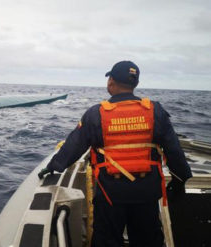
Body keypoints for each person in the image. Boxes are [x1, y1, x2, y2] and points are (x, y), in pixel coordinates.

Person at [43, 61, 192, 247]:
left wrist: (53, 166)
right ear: (135, 83)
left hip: (110, 192)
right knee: (148, 240)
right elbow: (174, 151)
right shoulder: (155, 111)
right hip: (146, 191)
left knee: (107, 239)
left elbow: (73, 146)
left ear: (111, 81)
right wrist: (180, 180)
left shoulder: (96, 113)